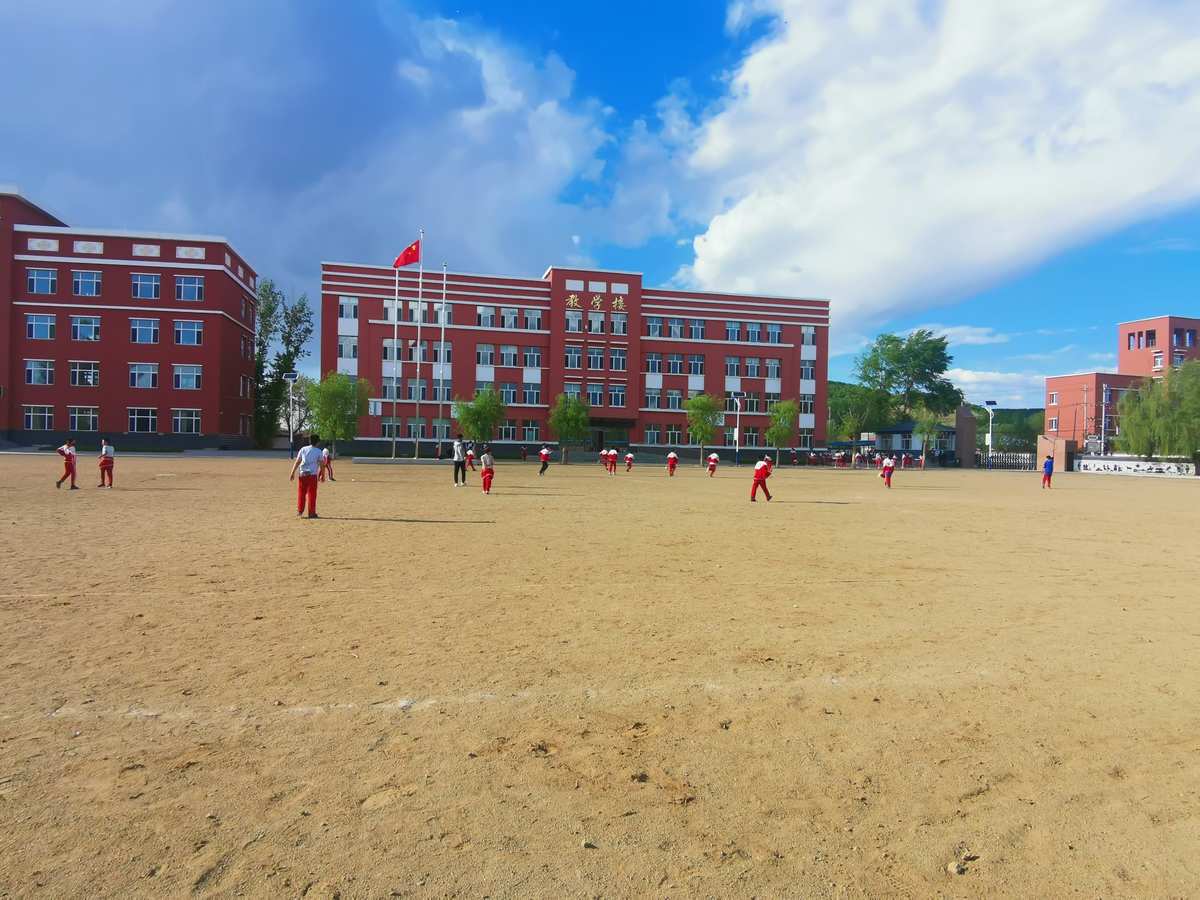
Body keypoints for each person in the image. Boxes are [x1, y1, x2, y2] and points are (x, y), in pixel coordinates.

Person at [289, 433, 323, 518]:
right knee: (312, 494)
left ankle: (300, 511)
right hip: (312, 475)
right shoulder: (318, 451)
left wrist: (292, 472)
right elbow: (322, 464)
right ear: (317, 442)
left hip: (302, 474)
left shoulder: (303, 449)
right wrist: (322, 474)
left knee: (301, 493)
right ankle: (311, 513)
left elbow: (298, 461)